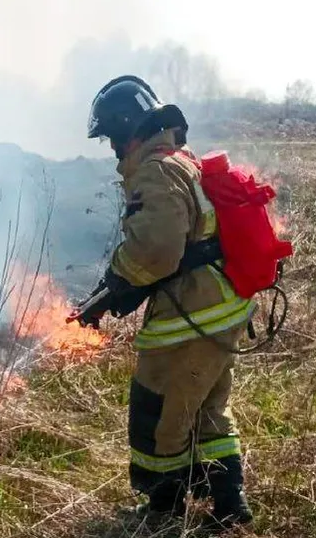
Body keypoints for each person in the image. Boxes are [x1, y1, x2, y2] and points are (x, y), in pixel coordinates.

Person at [81, 75, 256, 529]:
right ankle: (230, 506)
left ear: (125, 130)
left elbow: (156, 251)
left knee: (159, 412)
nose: (113, 149)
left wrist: (116, 281)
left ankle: (163, 511)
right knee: (208, 410)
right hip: (225, 306)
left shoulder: (155, 171)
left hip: (191, 317)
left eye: (112, 138)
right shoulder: (182, 160)